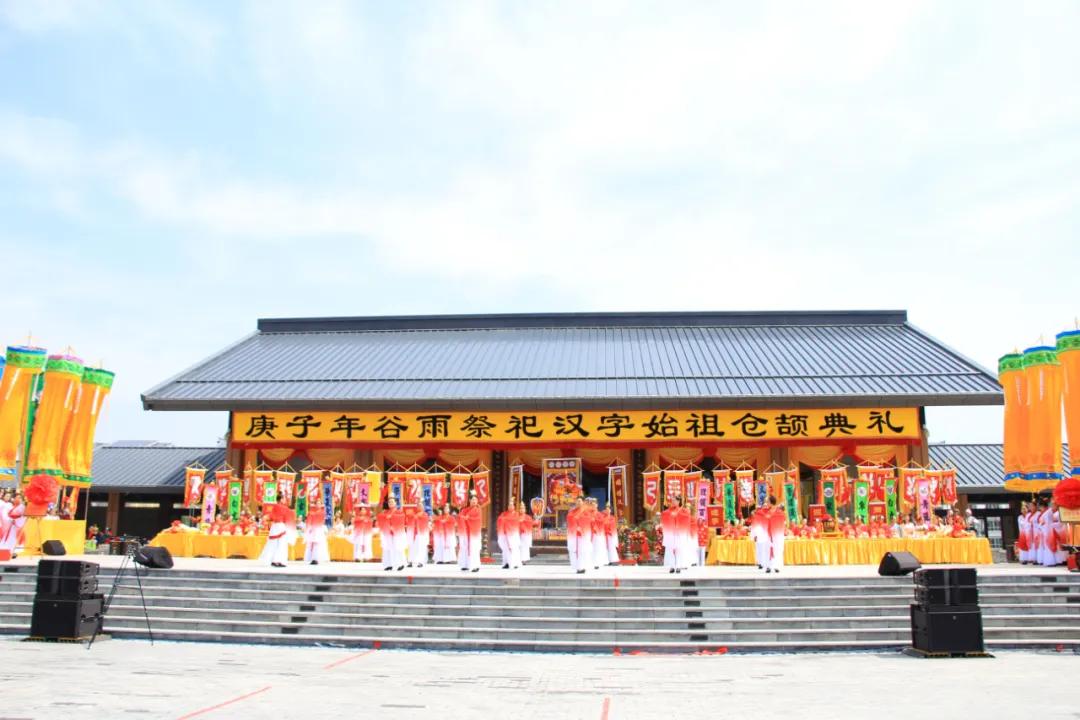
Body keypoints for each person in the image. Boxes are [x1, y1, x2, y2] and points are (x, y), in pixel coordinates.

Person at [460, 493, 483, 572]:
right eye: (472, 499)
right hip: (466, 531)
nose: (474, 501)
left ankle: (475, 565)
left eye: (475, 500)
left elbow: (477, 519)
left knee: (474, 548)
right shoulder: (464, 510)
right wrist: (464, 518)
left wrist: (468, 518)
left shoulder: (478, 510)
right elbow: (460, 517)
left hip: (474, 532)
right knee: (465, 547)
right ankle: (465, 564)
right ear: (469, 500)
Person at [765, 495, 786, 574]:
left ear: (771, 502)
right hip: (768, 534)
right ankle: (769, 566)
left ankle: (777, 566)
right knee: (768, 550)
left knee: (778, 550)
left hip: (777, 534)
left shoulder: (779, 512)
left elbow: (783, 523)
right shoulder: (766, 512)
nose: (766, 503)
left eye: (767, 502)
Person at [659, 500, 680, 574]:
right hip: (670, 533)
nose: (674, 502)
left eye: (676, 501)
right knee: (670, 550)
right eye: (673, 501)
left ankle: (678, 566)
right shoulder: (666, 512)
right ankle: (671, 566)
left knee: (678, 550)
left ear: (679, 502)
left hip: (678, 533)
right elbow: (663, 522)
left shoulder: (682, 512)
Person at [749, 503, 770, 571]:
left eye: (766, 506)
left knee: (766, 550)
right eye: (764, 506)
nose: (765, 508)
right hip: (759, 536)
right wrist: (754, 536)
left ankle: (767, 564)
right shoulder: (757, 516)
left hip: (767, 536)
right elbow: (754, 526)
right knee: (759, 550)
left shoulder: (769, 515)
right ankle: (760, 563)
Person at [566, 499, 582, 572]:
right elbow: (569, 521)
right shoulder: (571, 512)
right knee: (574, 550)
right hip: (574, 534)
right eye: (577, 501)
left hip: (583, 534)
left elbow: (588, 521)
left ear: (583, 502)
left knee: (583, 550)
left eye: (580, 501)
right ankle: (578, 567)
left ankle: (582, 566)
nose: (579, 502)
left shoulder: (586, 512)